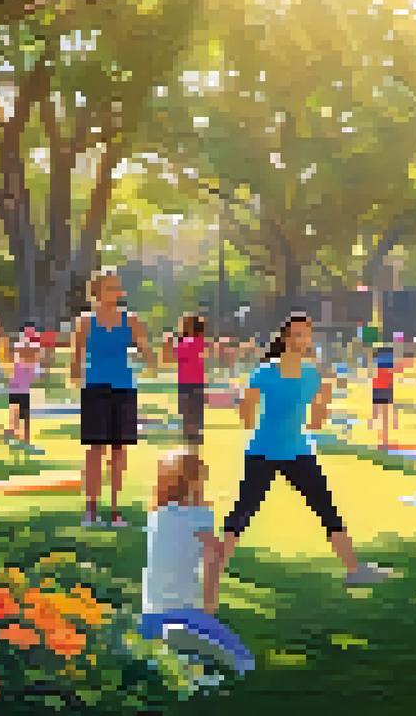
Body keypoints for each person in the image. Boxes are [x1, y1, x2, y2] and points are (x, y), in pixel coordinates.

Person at [209, 312, 390, 587]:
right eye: (295, 334)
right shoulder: (265, 372)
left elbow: (316, 423)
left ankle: (354, 570)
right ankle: (212, 571)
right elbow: (246, 418)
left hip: (298, 451)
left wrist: (324, 399)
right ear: (284, 338)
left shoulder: (312, 374)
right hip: (263, 452)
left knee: (326, 508)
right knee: (242, 513)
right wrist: (247, 404)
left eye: (305, 334)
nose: (301, 339)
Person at [140, 451, 256, 675]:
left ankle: (168, 642)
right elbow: (213, 559)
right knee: (242, 656)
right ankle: (190, 640)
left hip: (150, 614)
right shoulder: (200, 516)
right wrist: (209, 606)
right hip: (186, 611)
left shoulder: (155, 514)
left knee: (184, 647)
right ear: (196, 483)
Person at [70, 269, 156, 529]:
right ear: (97, 291)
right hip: (95, 389)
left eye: (117, 287)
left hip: (124, 389)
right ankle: (91, 511)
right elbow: (75, 359)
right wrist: (76, 380)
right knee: (95, 451)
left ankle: (116, 512)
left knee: (119, 452)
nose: (116, 291)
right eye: (110, 287)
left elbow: (147, 354)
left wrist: (150, 354)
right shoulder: (85, 321)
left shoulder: (131, 320)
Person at [163, 315, 209, 453]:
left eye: (184, 324)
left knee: (189, 417)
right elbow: (169, 358)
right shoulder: (197, 342)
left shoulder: (192, 342)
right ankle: (193, 448)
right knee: (192, 417)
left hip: (189, 384)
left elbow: (169, 357)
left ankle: (192, 449)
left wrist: (168, 342)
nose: (181, 327)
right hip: (192, 384)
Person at [4, 331, 43, 447]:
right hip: (20, 392)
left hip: (18, 392)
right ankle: (21, 437)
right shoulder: (25, 364)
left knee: (18, 416)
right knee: (20, 416)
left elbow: (35, 377)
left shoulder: (23, 364)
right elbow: (36, 377)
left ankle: (22, 437)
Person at [370, 343, 398, 448]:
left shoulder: (377, 362)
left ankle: (380, 439)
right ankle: (383, 440)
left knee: (378, 413)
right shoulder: (389, 363)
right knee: (384, 416)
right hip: (385, 389)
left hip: (378, 388)